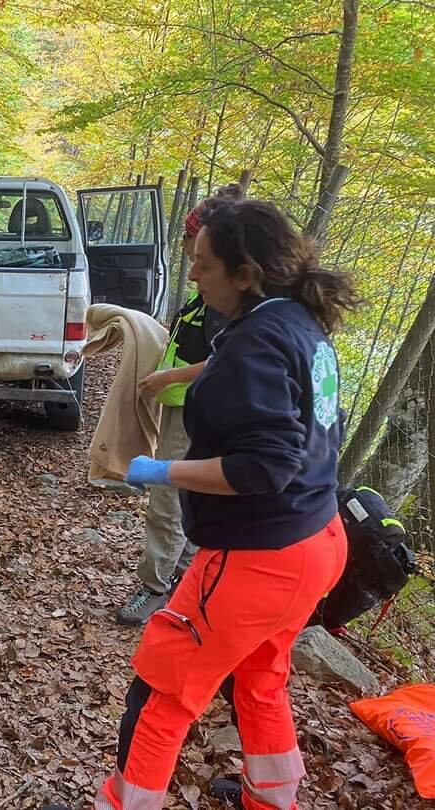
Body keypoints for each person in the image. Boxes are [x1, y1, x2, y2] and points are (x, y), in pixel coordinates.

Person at [95, 198, 360, 809]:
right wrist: (179, 376)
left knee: (161, 696)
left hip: (258, 557)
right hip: (318, 540)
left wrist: (162, 468)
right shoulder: (296, 319)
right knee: (262, 679)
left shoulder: (260, 338)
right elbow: (248, 369)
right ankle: (273, 797)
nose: (193, 275)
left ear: (246, 274)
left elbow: (264, 467)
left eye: (205, 265)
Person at [116, 188, 240, 626]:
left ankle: (154, 588)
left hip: (195, 412)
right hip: (189, 408)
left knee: (168, 498)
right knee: (187, 495)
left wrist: (169, 377)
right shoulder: (211, 293)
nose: (190, 267)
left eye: (196, 255)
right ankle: (185, 577)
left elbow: (225, 358)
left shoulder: (226, 301)